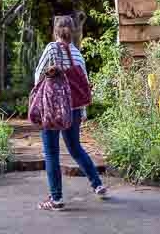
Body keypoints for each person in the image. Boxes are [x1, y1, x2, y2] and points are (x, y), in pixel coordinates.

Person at [33, 15, 108, 211]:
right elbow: (83, 85)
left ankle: (56, 198)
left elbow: (37, 75)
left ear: (56, 31)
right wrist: (82, 110)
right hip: (73, 109)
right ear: (73, 31)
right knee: (75, 148)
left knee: (51, 153)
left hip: (53, 110)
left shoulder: (51, 48)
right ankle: (97, 184)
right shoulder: (76, 53)